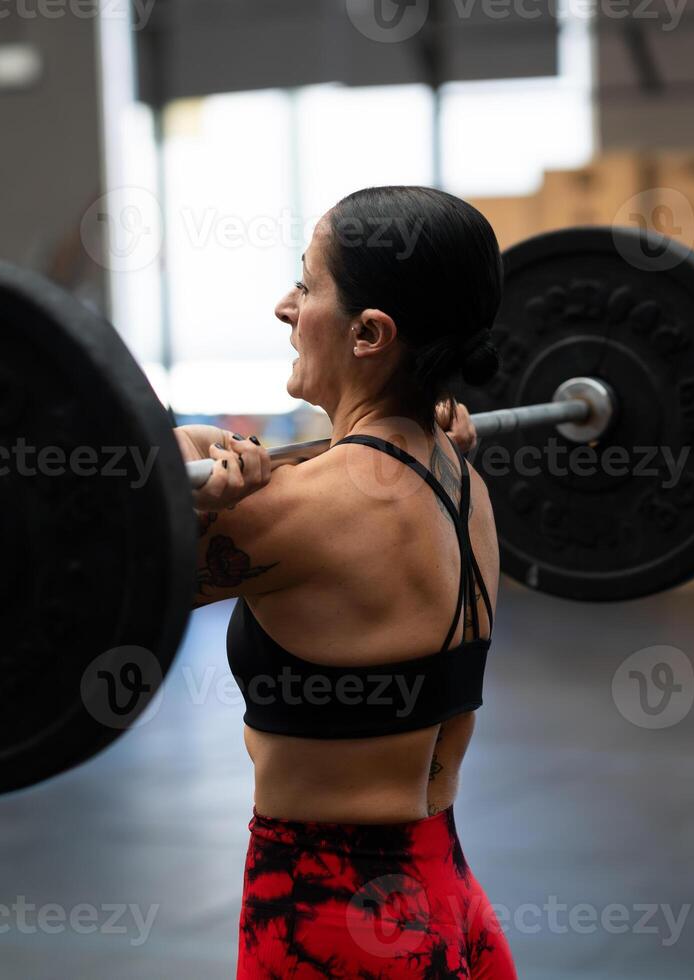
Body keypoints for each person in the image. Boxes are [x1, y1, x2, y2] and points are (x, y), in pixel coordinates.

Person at [174, 186, 518, 979]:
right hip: (447, 895)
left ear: (370, 333)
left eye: (307, 284)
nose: (284, 307)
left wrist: (175, 475)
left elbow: (96, 588)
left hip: (330, 924)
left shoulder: (296, 512)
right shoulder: (460, 477)